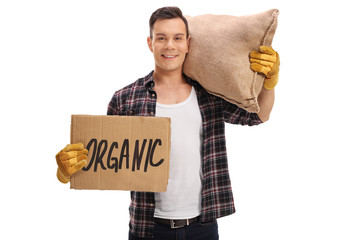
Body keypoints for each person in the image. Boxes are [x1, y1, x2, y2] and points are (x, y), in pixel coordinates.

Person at [55, 6, 280, 240]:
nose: (170, 45)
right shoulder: (126, 98)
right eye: (161, 38)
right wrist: (65, 173)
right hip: (148, 228)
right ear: (150, 43)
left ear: (188, 44)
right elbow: (103, 163)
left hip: (202, 227)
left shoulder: (209, 95)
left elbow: (258, 115)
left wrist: (270, 82)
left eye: (177, 38)